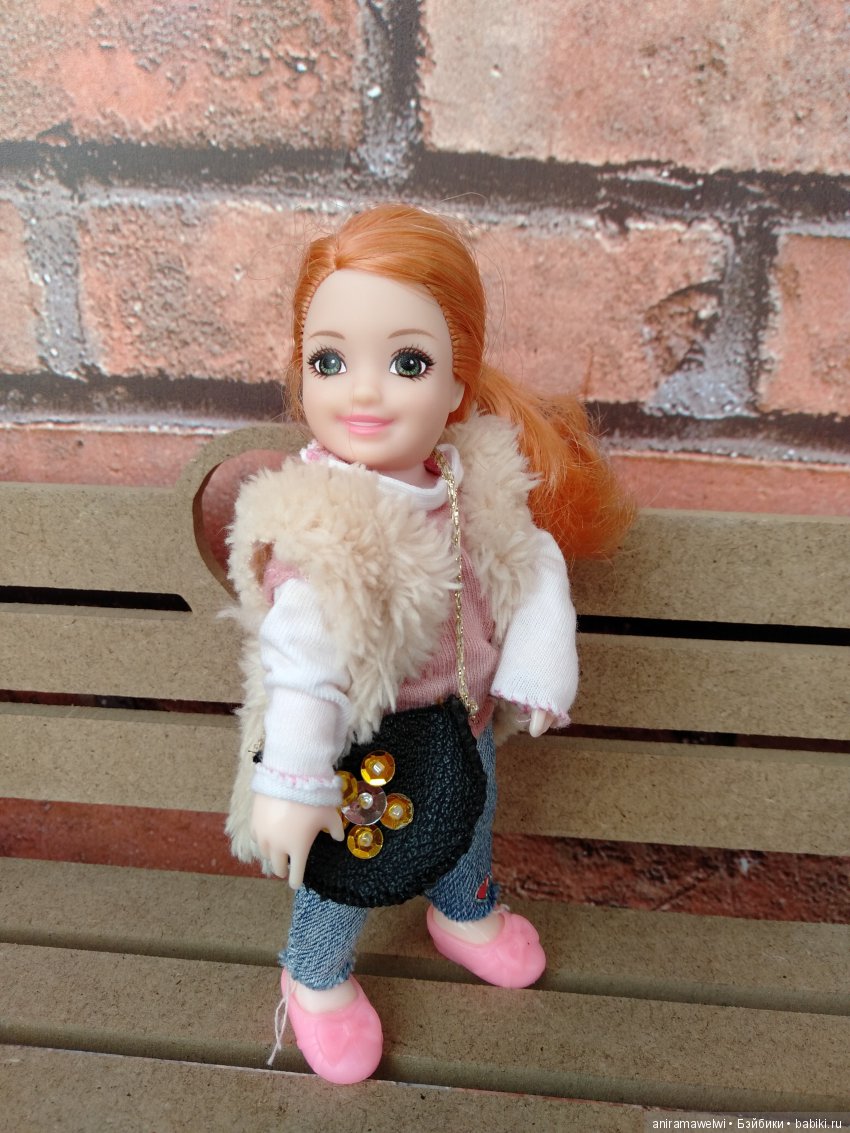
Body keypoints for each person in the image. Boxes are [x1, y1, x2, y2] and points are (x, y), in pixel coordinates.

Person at [225, 203, 633, 1084]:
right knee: (344, 870)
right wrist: (292, 780)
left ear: (456, 384)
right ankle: (315, 974)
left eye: (406, 362)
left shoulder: (472, 478)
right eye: (329, 361)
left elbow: (530, 560)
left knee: (469, 818)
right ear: (301, 375)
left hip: (463, 718)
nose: (364, 393)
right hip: (354, 746)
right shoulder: (324, 525)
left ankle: (464, 910)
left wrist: (537, 661)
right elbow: (305, 660)